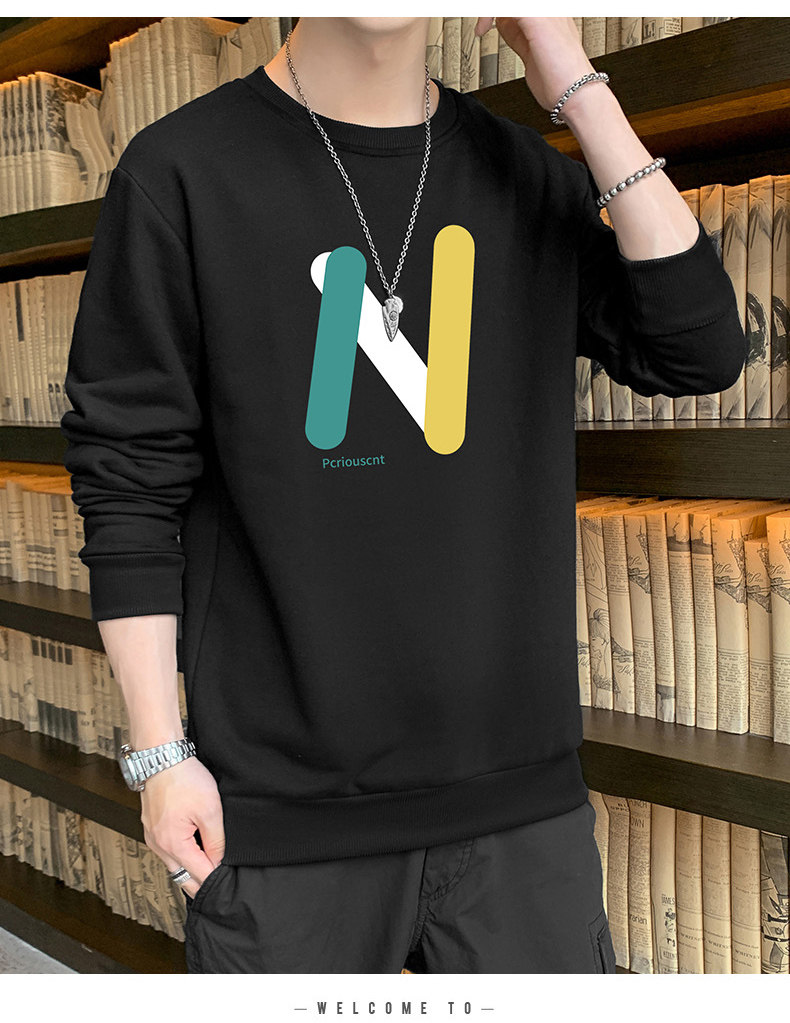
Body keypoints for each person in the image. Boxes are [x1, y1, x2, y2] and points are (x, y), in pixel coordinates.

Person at [59, 16, 747, 973]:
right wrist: (158, 756)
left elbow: (700, 349)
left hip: (520, 810)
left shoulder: (525, 174)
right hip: (284, 819)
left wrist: (571, 76)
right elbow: (128, 478)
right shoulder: (182, 171)